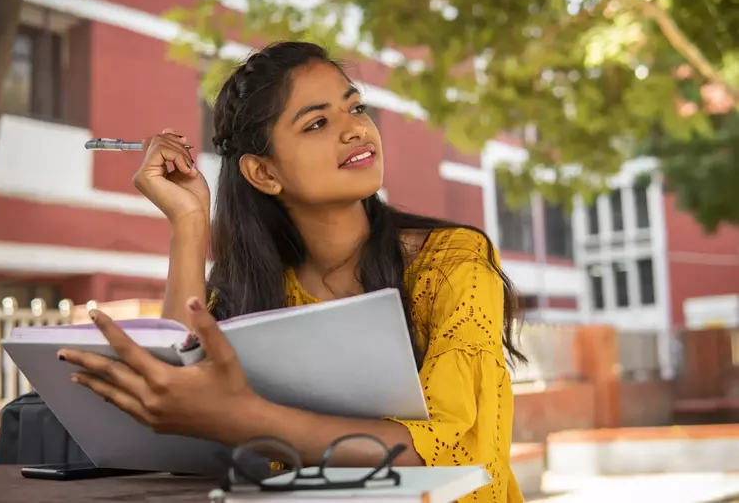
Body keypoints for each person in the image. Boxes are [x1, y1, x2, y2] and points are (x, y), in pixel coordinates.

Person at [57, 41, 526, 502]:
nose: (355, 130)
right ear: (263, 173)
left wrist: (245, 418)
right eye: (318, 122)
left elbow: (449, 448)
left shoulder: (454, 261)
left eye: (356, 108)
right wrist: (189, 221)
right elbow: (175, 396)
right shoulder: (255, 288)